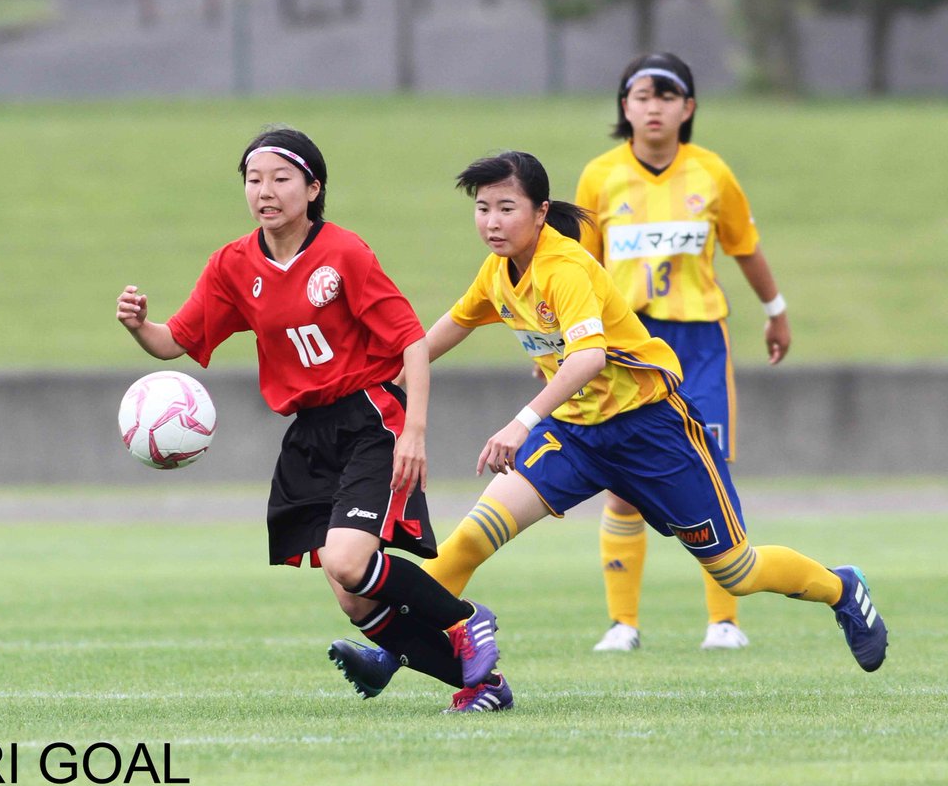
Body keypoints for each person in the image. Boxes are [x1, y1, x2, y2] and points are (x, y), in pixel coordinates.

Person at [330, 149, 886, 700]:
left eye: (506, 208)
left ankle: (842, 589)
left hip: (651, 432)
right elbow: (445, 330)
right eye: (482, 209)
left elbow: (588, 358)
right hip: (574, 435)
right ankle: (392, 651)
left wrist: (520, 422)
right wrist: (382, 385)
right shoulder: (498, 273)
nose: (492, 223)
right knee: (473, 537)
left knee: (736, 570)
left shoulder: (564, 266)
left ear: (541, 212)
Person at [116, 126, 505, 713]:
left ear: (312, 187)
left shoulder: (344, 252)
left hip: (370, 416)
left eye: (280, 179)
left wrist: (416, 431)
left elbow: (412, 344)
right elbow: (175, 341)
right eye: (253, 180)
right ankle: (483, 688)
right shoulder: (232, 265)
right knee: (353, 599)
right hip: (307, 433)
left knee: (350, 563)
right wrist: (139, 326)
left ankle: (467, 619)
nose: (264, 191)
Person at [573, 53, 792, 652]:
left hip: (698, 341)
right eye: (641, 96)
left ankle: (724, 622)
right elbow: (579, 267)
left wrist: (775, 310)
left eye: (667, 97)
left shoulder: (712, 173)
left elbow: (745, 247)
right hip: (628, 343)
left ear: (688, 108)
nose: (653, 107)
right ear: (625, 107)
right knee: (622, 481)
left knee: (710, 470)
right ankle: (624, 625)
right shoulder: (600, 176)